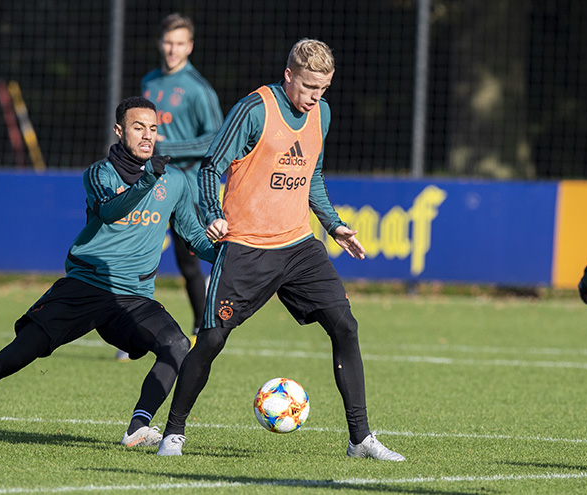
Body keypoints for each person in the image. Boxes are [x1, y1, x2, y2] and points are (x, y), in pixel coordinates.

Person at [0, 96, 217, 447]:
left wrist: (227, 254)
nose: (147, 135)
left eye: (153, 128)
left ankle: (138, 426)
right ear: (119, 131)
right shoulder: (99, 173)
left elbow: (193, 237)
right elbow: (110, 211)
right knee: (14, 357)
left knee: (176, 344)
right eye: (138, 127)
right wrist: (147, 180)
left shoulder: (174, 181)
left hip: (133, 297)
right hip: (84, 287)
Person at [156, 39, 405, 461]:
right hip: (248, 246)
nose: (315, 97)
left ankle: (360, 439)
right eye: (308, 87)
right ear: (289, 75)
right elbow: (212, 164)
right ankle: (173, 433)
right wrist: (212, 213)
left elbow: (313, 175)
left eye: (323, 89)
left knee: (345, 326)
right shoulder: (255, 109)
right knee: (212, 339)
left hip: (298, 245)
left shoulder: (321, 113)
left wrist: (334, 225)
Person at [113, 13, 223, 361]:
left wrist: (168, 148)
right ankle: (129, 333)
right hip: (148, 183)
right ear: (160, 43)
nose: (173, 49)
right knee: (134, 255)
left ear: (190, 46)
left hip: (184, 186)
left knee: (187, 262)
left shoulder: (199, 89)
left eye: (179, 43)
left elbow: (216, 138)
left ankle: (202, 328)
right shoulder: (150, 81)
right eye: (168, 42)